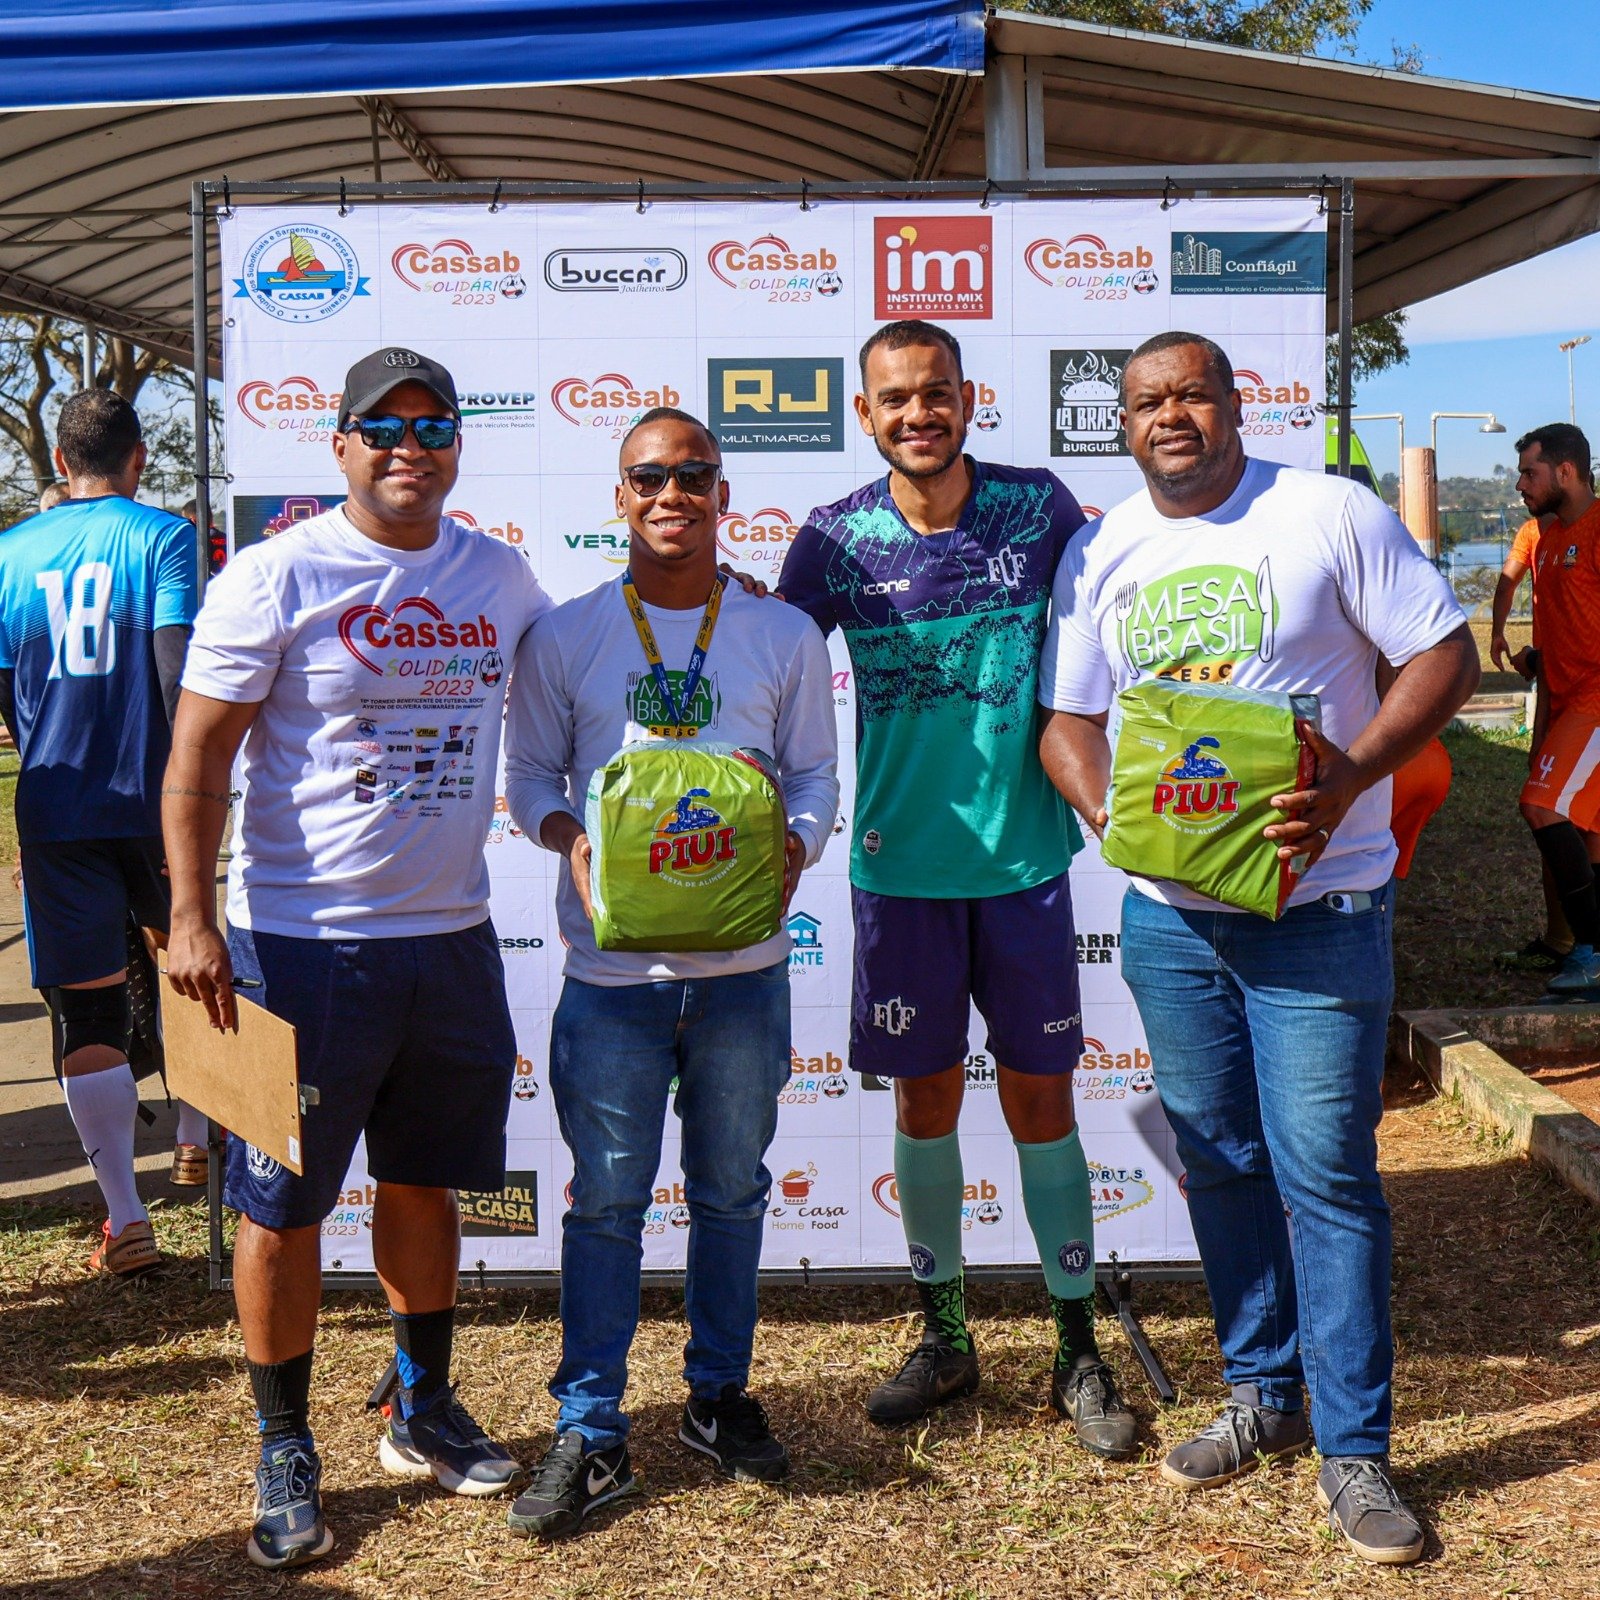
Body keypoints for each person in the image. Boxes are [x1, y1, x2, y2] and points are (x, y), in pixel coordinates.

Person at [1038, 331, 1478, 1566]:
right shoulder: (1103, 546)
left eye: (1190, 393)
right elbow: (1067, 722)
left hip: (1322, 908)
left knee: (1325, 1174)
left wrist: (1348, 778)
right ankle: (1260, 1393)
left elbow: (1446, 655)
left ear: (1234, 403)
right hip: (1173, 922)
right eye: (1145, 401)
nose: (1168, 416)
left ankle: (1355, 1449)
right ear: (1121, 423)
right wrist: (1112, 821)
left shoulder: (1326, 511)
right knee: (1220, 1160)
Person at [162, 347, 550, 1570]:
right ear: (337, 444)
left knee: (425, 1182)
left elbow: (587, 664)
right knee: (277, 1207)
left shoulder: (498, 574)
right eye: (380, 425)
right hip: (295, 946)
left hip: (451, 939)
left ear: (454, 447)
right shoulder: (275, 575)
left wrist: (712, 588)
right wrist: (189, 916)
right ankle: (283, 1439)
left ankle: (417, 1403)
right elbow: (196, 761)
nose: (407, 446)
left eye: (432, 426)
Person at [776, 320, 1137, 1458]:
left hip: (1024, 867)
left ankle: (1077, 1346)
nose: (916, 414)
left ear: (968, 398)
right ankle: (945, 1335)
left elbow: (1107, 647)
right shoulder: (831, 539)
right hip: (897, 871)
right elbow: (771, 667)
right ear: (865, 415)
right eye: (894, 400)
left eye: (934, 394)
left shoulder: (1040, 508)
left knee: (1043, 1104)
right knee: (922, 1107)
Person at [501, 406, 838, 1540]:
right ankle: (590, 1424)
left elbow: (815, 781)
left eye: (693, 473)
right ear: (620, 495)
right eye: (649, 475)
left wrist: (793, 849)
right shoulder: (569, 634)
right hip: (611, 978)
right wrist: (572, 841)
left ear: (722, 491)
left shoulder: (784, 633)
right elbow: (530, 775)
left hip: (745, 967)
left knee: (733, 1190)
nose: (671, 493)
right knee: (604, 1202)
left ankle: (715, 1396)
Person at [0, 389, 211, 1276]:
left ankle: (127, 1218)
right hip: (154, 796)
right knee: (191, 964)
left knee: (86, 1006)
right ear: (138, 461)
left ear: (58, 461)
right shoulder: (162, 536)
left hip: (57, 810)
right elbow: (175, 671)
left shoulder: (8, 550)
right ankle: (200, 1136)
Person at [1513, 424, 1600, 996]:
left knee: (1541, 806)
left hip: (1595, 705)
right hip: (1566, 703)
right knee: (1592, 837)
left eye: (1530, 472)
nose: (1521, 484)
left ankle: (1591, 950)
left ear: (1565, 472)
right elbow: (1555, 645)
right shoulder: (1546, 543)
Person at [1489, 512, 1573, 970]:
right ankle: (1563, 937)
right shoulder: (1535, 532)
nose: (1521, 485)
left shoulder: (1588, 529)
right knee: (1547, 805)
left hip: (1581, 694)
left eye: (1530, 473)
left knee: (1558, 810)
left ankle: (1580, 944)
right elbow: (1507, 583)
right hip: (1555, 686)